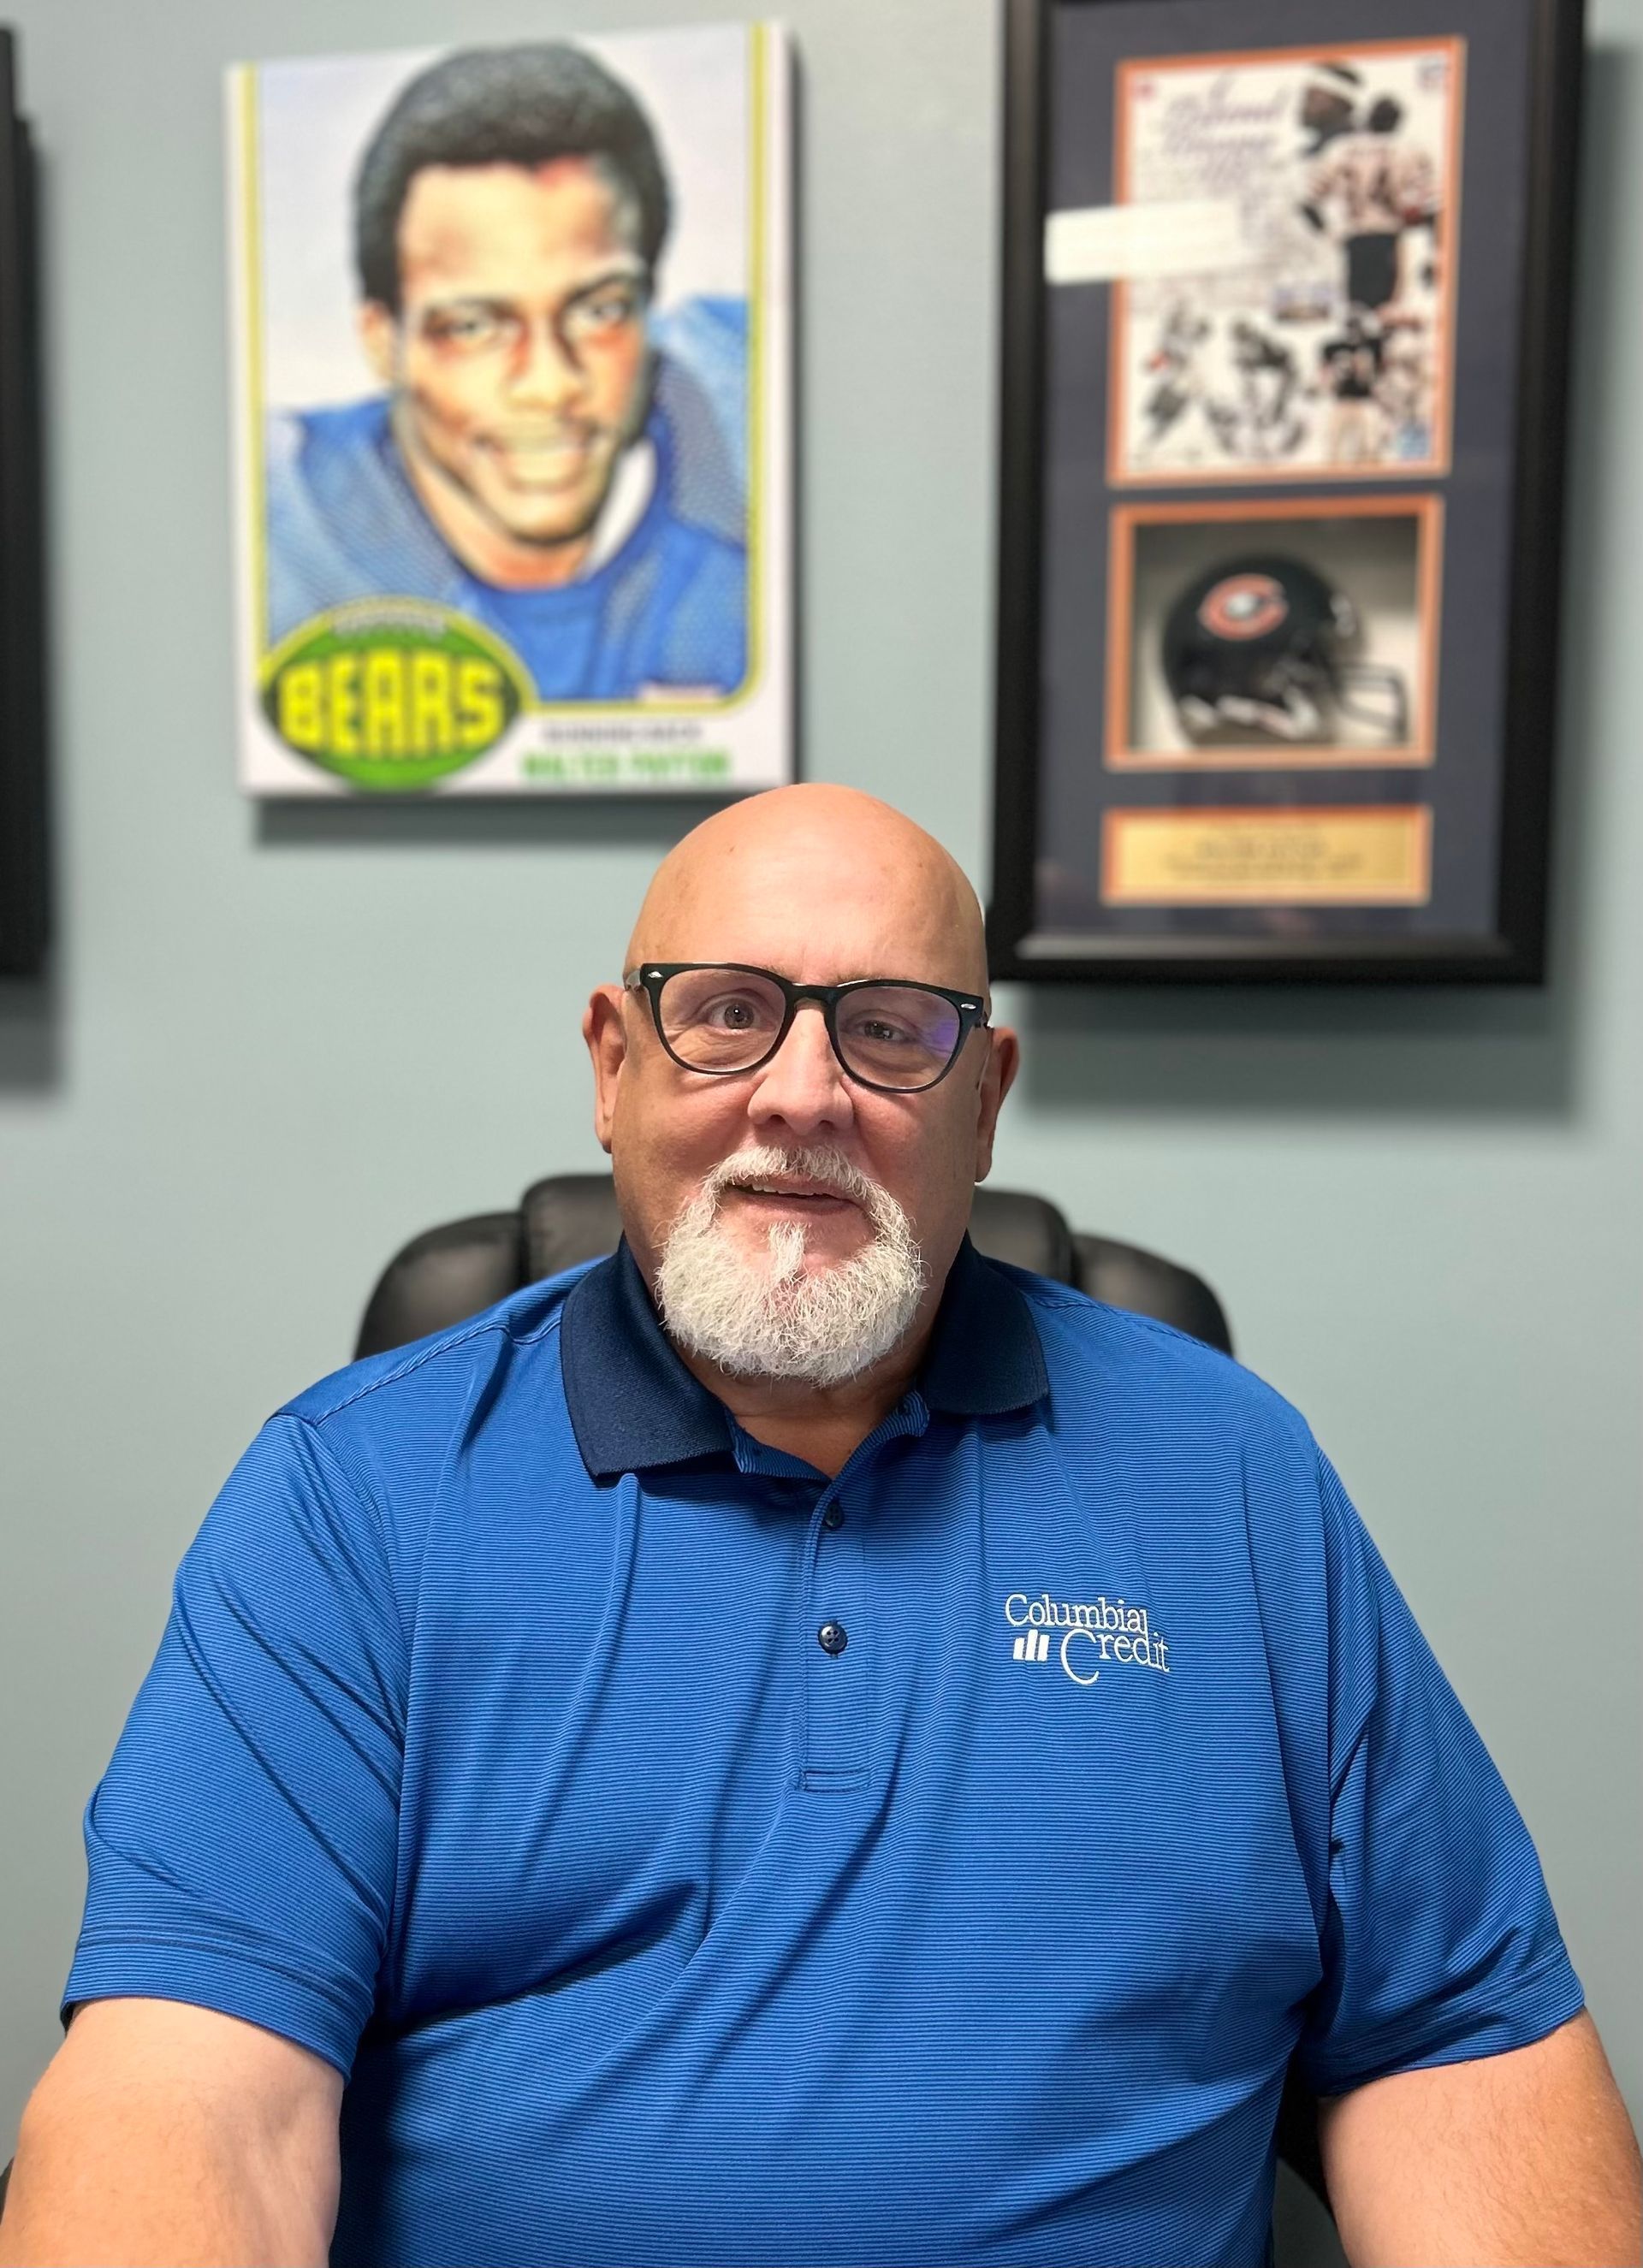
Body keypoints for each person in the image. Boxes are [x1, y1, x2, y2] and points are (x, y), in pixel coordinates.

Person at [3, 785, 1639, 2268]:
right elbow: (189, 2098)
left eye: (890, 1029)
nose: (803, 1095)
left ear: (985, 1098)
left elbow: (1461, 2043)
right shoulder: (353, 1497)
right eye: (724, 1015)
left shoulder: (1233, 1476)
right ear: (611, 1062)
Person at [264, 44, 748, 702]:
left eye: (599, 311)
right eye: (473, 328)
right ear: (383, 342)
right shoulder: (279, 534)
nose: (549, 385)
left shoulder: (746, 417)